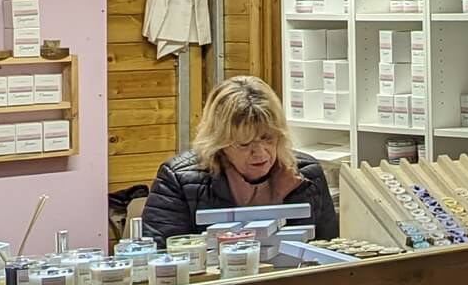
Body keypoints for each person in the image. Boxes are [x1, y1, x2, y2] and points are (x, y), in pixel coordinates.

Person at [142, 75, 340, 244]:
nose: (260, 153)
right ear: (219, 143)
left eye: (267, 138)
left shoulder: (308, 174)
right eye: (244, 144)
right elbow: (163, 257)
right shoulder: (178, 179)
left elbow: (327, 249)